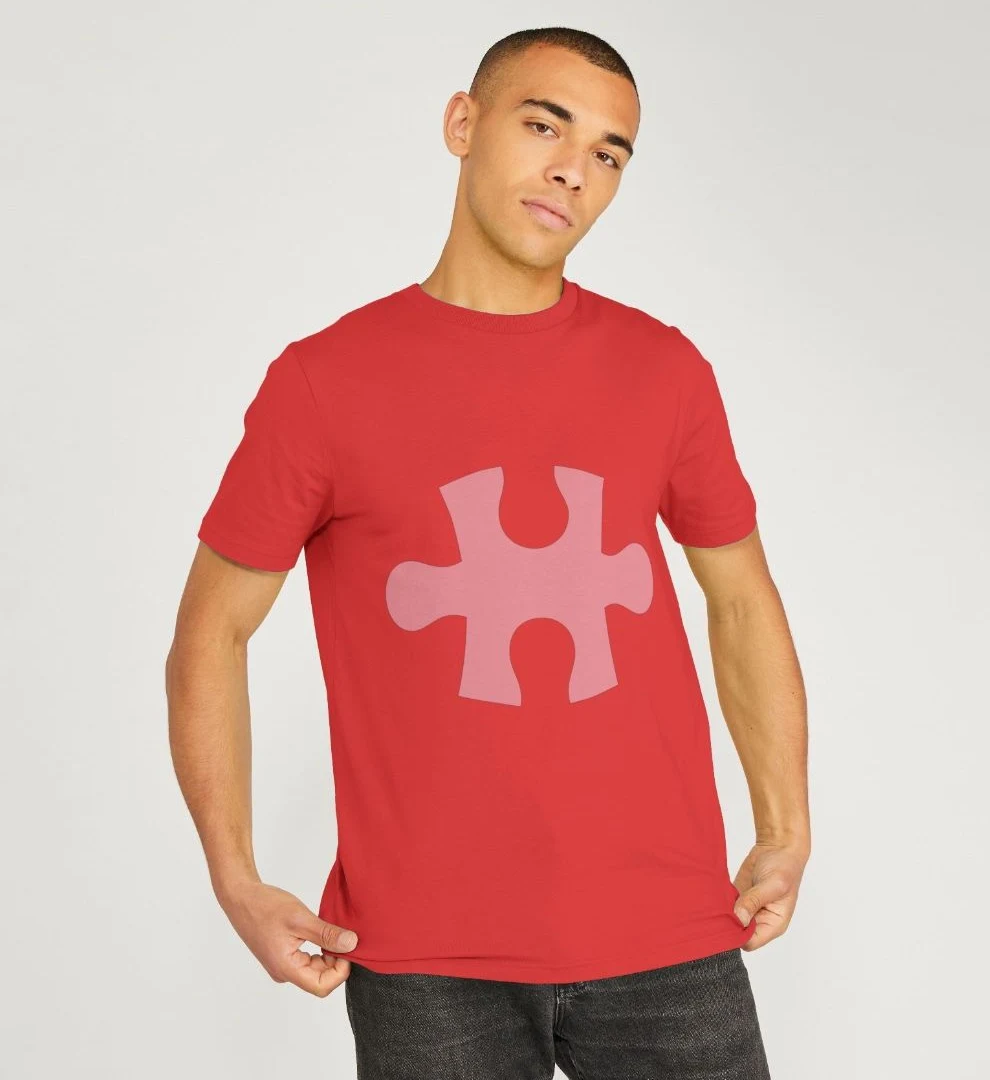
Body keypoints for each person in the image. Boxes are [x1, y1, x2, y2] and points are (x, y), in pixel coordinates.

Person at [165, 25, 809, 1080]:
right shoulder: (325, 384)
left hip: (668, 933)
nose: (574, 170)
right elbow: (210, 632)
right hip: (425, 958)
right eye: (545, 126)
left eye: (608, 153)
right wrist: (236, 878)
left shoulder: (664, 372)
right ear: (463, 123)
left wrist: (785, 826)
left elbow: (740, 597)